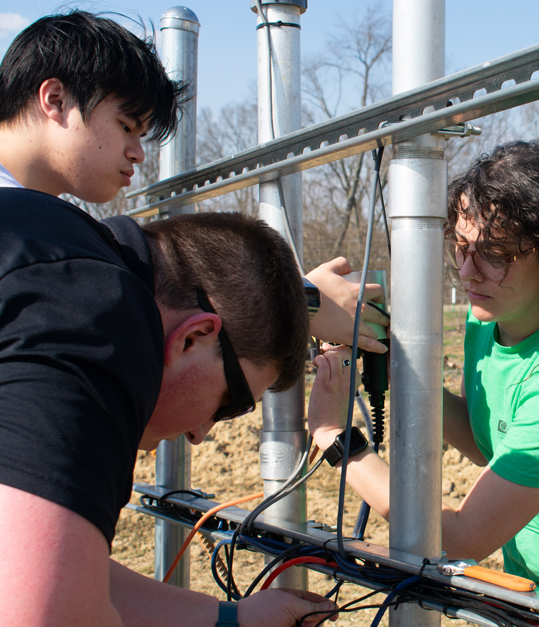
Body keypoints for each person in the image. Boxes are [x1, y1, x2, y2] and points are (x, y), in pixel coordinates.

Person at [0, 10, 384, 627]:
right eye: (232, 402)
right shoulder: (89, 307)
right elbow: (45, 611)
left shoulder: (40, 250)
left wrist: (228, 621)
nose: (206, 435)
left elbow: (50, 563)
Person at [308, 140, 539, 624]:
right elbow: (490, 437)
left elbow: (462, 536)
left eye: (495, 254)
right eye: (462, 248)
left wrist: (337, 440)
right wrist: (398, 373)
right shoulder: (487, 320)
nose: (468, 272)